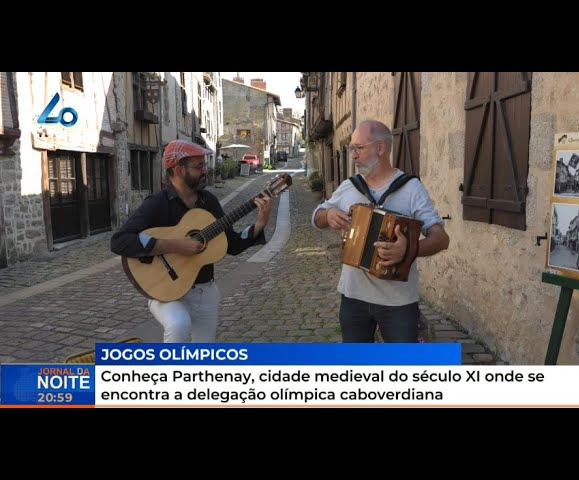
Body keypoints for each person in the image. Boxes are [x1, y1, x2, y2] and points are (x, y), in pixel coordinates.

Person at [111, 139, 272, 343]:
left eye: (203, 165)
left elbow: (232, 245)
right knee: (179, 325)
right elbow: (119, 241)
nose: (204, 170)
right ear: (178, 170)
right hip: (164, 290)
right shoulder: (157, 204)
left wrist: (259, 224)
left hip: (204, 291)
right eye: (198, 167)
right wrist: (176, 245)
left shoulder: (209, 202)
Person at [311, 120, 449, 343]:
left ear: (380, 148)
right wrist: (327, 216)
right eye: (351, 149)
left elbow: (442, 239)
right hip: (353, 297)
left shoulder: (411, 188)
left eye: (359, 148)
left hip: (398, 302)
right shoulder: (350, 186)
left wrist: (409, 250)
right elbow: (316, 217)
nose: (353, 155)